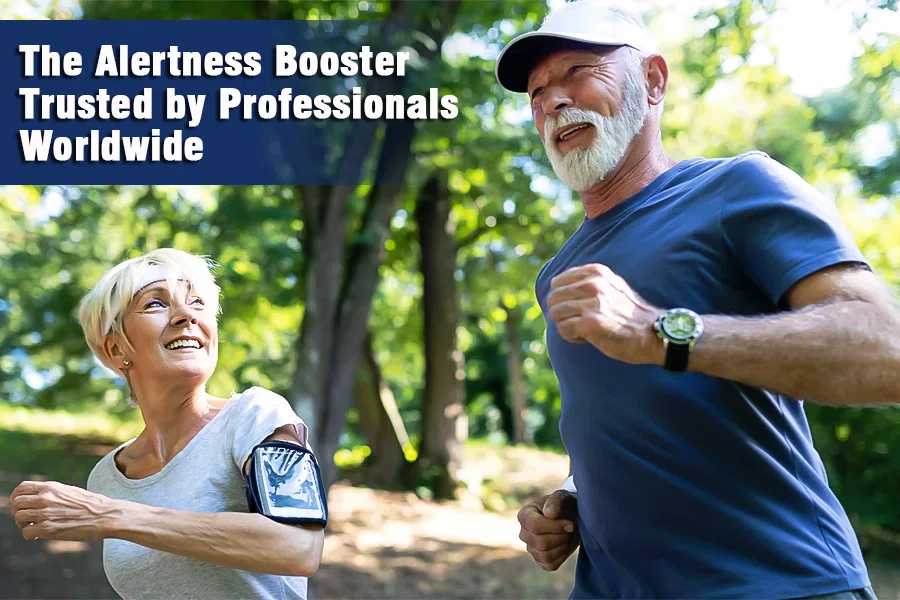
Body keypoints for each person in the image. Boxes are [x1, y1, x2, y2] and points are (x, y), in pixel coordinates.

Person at [495, 2, 900, 599]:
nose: (552, 102)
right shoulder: (558, 272)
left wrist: (662, 332)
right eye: (536, 94)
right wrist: (574, 500)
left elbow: (885, 351)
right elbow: (634, 418)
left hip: (778, 584)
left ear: (653, 80)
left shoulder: (740, 187)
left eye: (579, 70)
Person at [9, 248, 324, 600]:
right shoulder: (106, 478)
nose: (186, 315)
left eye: (198, 303)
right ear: (115, 350)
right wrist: (111, 511)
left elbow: (299, 545)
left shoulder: (256, 416)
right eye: (156, 303)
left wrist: (110, 514)